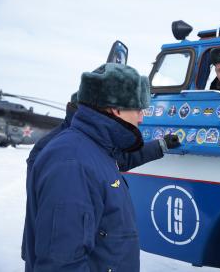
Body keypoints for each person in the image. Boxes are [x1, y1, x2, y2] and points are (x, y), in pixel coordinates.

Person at [22, 63, 179, 271]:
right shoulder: (72, 163)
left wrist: (161, 146)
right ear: (116, 109)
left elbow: (123, 159)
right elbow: (62, 263)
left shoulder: (98, 148)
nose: (142, 117)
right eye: (138, 109)